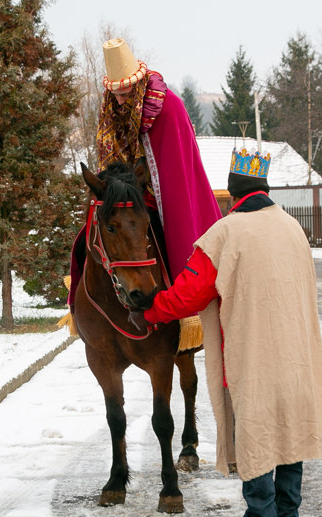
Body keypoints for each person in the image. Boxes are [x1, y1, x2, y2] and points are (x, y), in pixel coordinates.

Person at [129, 148, 322, 517]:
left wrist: (151, 311)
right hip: (299, 354)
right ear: (264, 188)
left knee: (255, 429)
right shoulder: (292, 227)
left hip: (253, 353)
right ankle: (287, 515)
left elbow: (189, 294)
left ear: (233, 194)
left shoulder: (226, 232)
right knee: (289, 430)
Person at [68, 38, 221, 312]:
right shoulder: (113, 105)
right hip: (129, 188)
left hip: (162, 192)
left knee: (172, 234)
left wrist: (148, 181)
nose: (118, 99)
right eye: (114, 93)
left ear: (138, 86)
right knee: (92, 234)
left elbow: (175, 163)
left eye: (124, 94)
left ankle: (182, 305)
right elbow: (112, 150)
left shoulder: (169, 106)